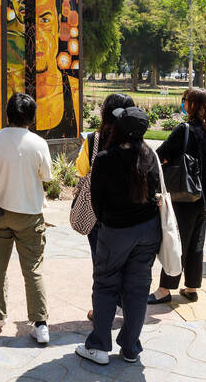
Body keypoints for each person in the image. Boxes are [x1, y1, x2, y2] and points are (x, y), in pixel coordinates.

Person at [76, 107, 161, 366]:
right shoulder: (150, 156)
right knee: (137, 288)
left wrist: (107, 222)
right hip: (147, 230)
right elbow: (155, 190)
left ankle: (100, 346)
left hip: (115, 231)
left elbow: (96, 201)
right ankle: (131, 348)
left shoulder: (105, 158)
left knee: (105, 284)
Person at [0, 93, 52, 343]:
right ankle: (40, 323)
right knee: (33, 269)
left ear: (7, 114)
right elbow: (46, 176)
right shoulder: (38, 143)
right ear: (32, 118)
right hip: (29, 215)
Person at [148, 88, 206, 304]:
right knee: (196, 242)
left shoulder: (184, 129)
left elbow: (160, 155)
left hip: (183, 195)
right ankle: (191, 287)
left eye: (185, 99)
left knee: (176, 242)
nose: (183, 102)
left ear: (194, 103)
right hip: (203, 194)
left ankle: (165, 289)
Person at [74, 93, 135, 321]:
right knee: (127, 264)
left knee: (100, 265)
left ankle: (101, 310)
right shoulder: (136, 140)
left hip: (98, 213)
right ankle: (123, 304)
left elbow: (81, 170)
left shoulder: (94, 139)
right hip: (130, 215)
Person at [35, 0, 79, 138]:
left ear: (59, 25)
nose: (36, 37)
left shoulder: (74, 91)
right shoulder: (5, 93)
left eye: (45, 20)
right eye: (26, 21)